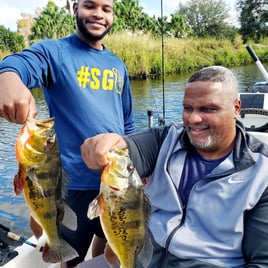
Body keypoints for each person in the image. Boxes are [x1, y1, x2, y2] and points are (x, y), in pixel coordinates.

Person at [81, 65, 268, 267]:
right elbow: (126, 150)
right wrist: (104, 146)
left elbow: (261, 261)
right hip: (142, 253)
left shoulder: (261, 171)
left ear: (236, 108)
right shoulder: (166, 138)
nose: (194, 119)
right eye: (188, 108)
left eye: (208, 109)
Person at [0, 0, 135, 267]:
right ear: (75, 8)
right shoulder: (54, 52)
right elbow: (19, 64)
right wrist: (7, 77)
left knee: (106, 242)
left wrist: (137, 165)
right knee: (69, 259)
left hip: (114, 181)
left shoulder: (118, 65)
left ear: (113, 15)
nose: (98, 14)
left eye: (106, 9)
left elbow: (127, 123)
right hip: (72, 186)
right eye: (90, 6)